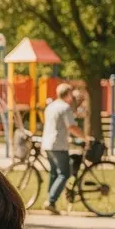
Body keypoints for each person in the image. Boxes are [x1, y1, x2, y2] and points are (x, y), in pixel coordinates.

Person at [42, 83, 84, 214]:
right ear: (68, 94)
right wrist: (85, 137)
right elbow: (71, 126)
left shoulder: (51, 106)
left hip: (47, 144)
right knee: (64, 173)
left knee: (54, 173)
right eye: (71, 93)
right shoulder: (65, 108)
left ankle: (50, 201)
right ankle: (51, 201)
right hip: (59, 145)